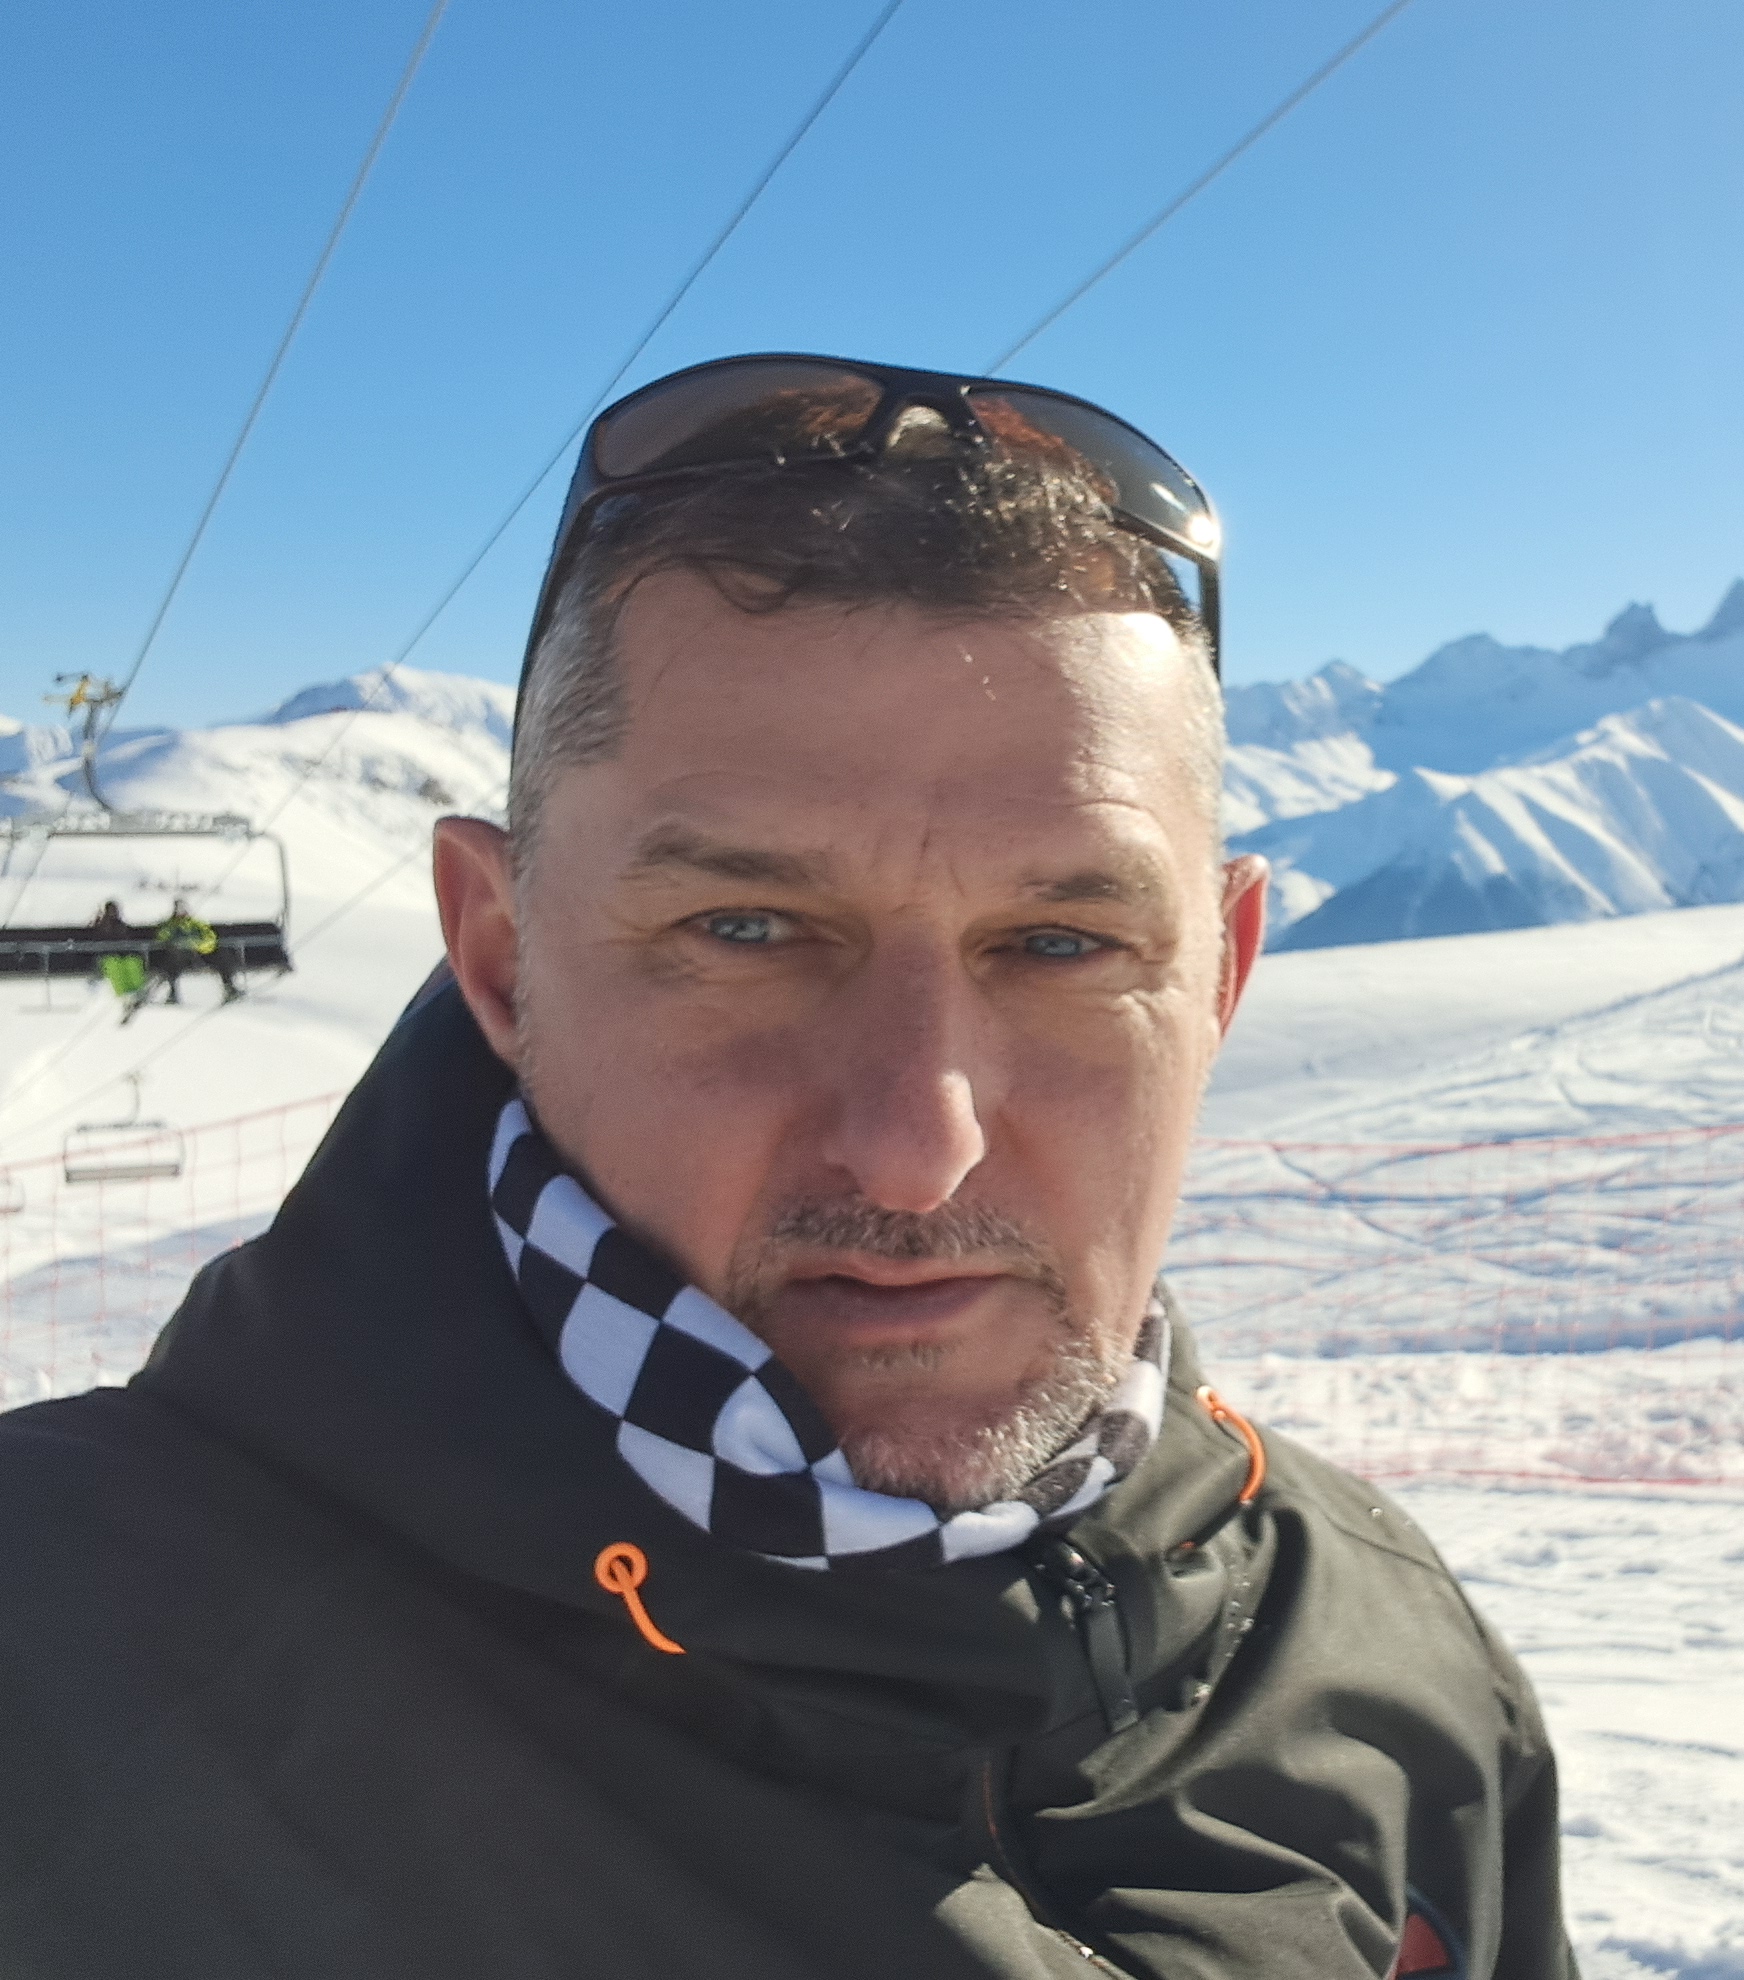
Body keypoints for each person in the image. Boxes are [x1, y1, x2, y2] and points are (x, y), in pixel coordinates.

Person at [0, 356, 1573, 1979]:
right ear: (502, 955)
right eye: (746, 929)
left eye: (1061, 943)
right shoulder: (60, 1664)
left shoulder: (1374, 1644)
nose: (918, 1146)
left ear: (1221, 982)